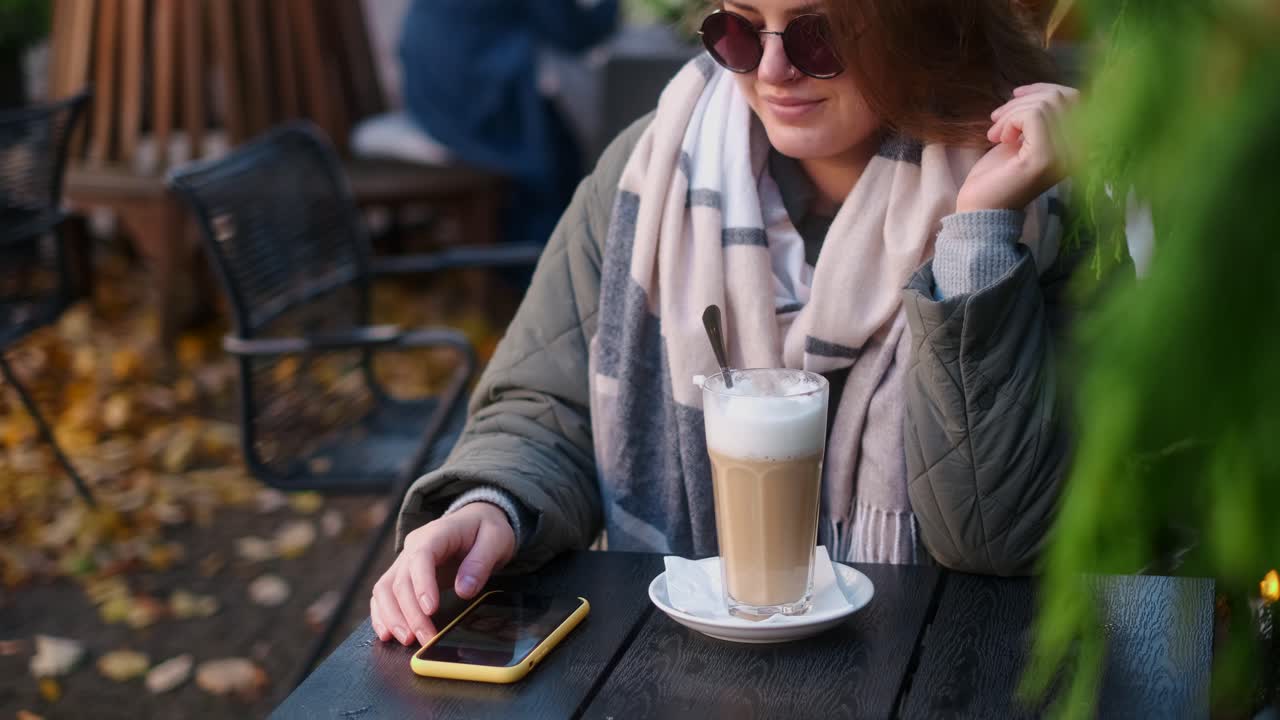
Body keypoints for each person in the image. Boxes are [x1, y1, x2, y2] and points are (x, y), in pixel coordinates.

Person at [372, 0, 1097, 648]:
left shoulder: (1036, 197)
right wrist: (492, 503)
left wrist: (977, 235)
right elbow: (545, 403)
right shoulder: (650, 173)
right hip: (679, 661)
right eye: (739, 30)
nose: (774, 69)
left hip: (942, 664)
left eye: (819, 35)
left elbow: (995, 540)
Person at [398, 0, 619, 249]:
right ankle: (543, 265)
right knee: (561, 158)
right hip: (471, 100)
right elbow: (574, 33)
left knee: (560, 142)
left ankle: (535, 262)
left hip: (429, 94)